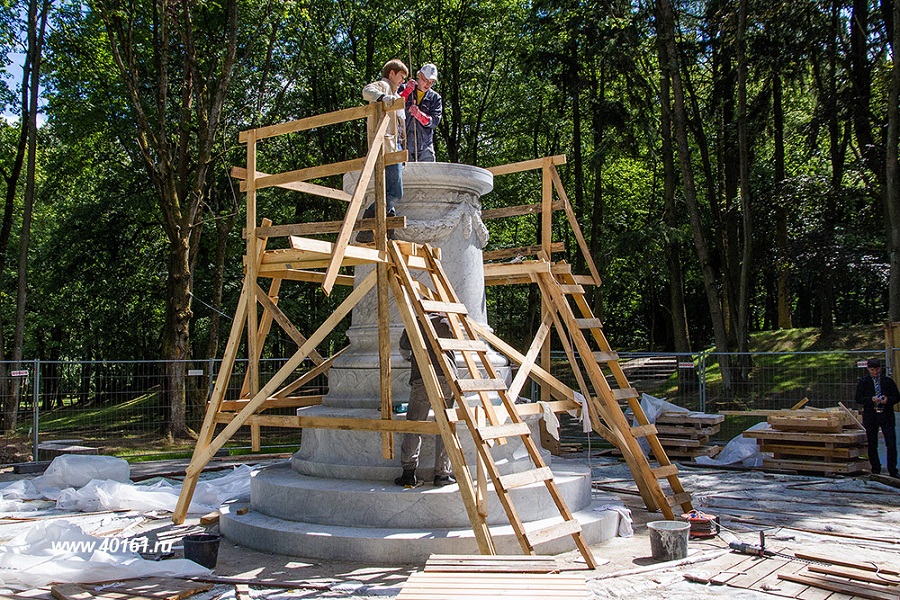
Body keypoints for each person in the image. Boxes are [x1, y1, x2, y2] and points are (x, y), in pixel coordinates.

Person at [357, 59, 417, 243]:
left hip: (394, 148)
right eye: (401, 76)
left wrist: (403, 152)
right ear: (392, 73)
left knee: (390, 191)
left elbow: (400, 129)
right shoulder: (383, 86)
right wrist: (384, 98)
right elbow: (366, 91)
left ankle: (386, 231)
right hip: (387, 147)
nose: (402, 80)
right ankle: (367, 225)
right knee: (395, 193)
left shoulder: (395, 93)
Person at [396, 313, 458, 488]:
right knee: (445, 425)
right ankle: (443, 474)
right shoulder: (448, 320)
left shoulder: (414, 321)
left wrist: (413, 357)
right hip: (447, 377)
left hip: (422, 377)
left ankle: (408, 473)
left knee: (414, 425)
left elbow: (404, 349)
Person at [855, 357, 900, 477]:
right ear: (868, 369)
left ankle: (893, 469)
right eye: (872, 369)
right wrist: (871, 399)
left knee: (891, 443)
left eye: (877, 369)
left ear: (880, 369)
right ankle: (875, 469)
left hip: (886, 415)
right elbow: (858, 398)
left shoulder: (887, 381)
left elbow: (896, 396)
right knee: (872, 443)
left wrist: (888, 400)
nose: (875, 372)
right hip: (871, 415)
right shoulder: (864, 382)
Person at [404, 63, 443, 162]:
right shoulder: (406, 89)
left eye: (432, 82)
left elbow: (434, 121)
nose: (428, 84)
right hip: (404, 142)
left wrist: (419, 115)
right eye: (425, 80)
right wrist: (407, 91)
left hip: (425, 145)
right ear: (419, 76)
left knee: (428, 175)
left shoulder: (435, 98)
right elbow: (394, 107)